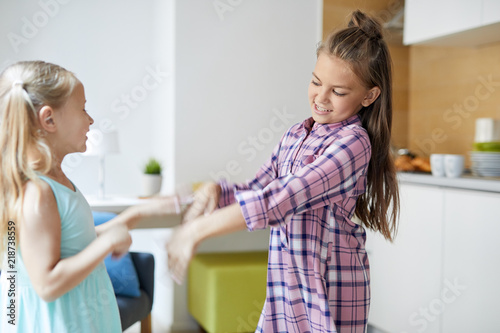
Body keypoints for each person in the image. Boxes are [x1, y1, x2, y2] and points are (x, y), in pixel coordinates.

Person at [167, 10, 400, 333]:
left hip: (331, 287)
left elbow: (284, 197)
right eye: (316, 82)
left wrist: (198, 231)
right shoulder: (295, 134)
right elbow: (258, 187)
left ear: (369, 96)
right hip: (287, 283)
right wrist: (217, 191)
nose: (320, 97)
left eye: (338, 91)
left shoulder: (353, 144)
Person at [0, 60, 175, 332]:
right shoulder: (38, 193)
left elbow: (76, 240)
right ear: (49, 119)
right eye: (83, 108)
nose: (90, 119)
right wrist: (105, 246)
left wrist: (138, 214)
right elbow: (46, 284)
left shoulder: (56, 183)